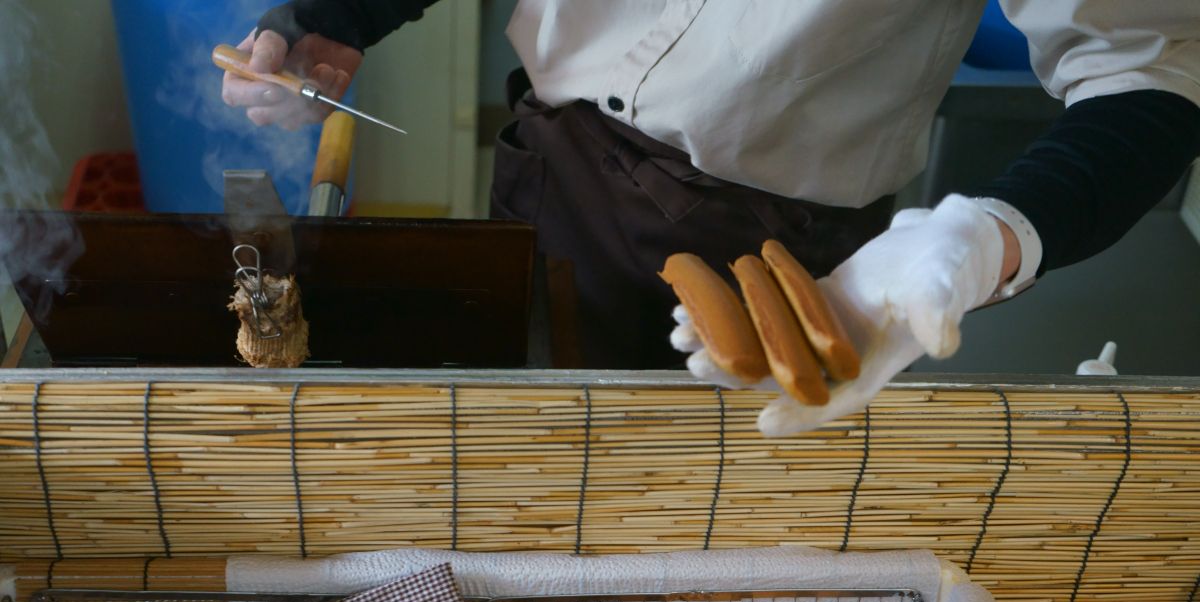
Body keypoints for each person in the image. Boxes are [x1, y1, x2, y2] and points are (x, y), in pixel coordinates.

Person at [223, 1, 1200, 434]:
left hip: (774, 232)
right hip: (551, 152)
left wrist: (994, 233)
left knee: (702, 531)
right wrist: (337, 10)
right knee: (549, 456)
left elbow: (1149, 73)